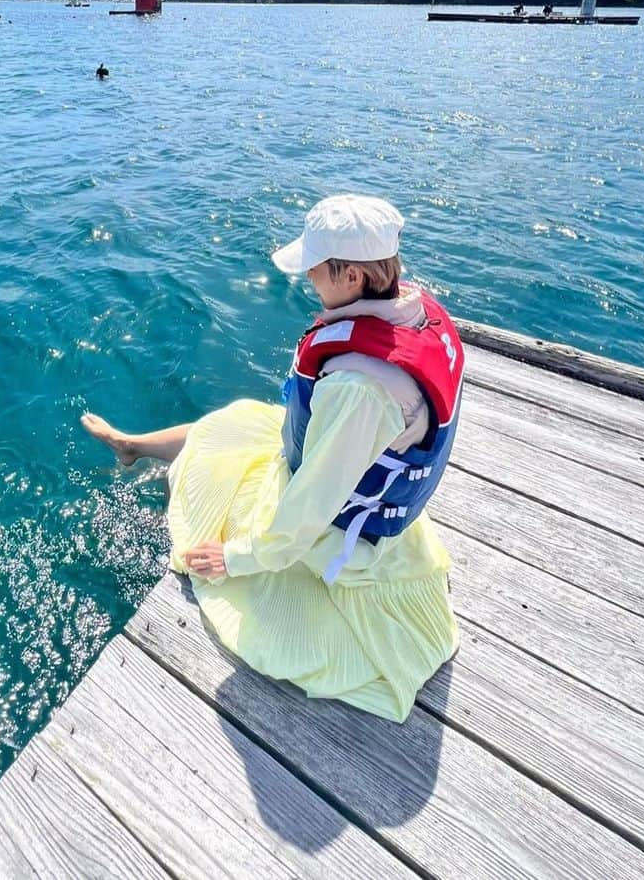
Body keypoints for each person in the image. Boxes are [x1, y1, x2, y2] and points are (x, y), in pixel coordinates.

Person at [81, 194, 461, 721]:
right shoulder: (412, 311)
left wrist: (237, 558)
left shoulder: (361, 390)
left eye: (316, 269)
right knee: (230, 424)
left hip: (339, 523)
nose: (307, 280)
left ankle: (143, 461)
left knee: (206, 495)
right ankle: (132, 446)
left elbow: (309, 509)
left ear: (351, 275)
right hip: (337, 461)